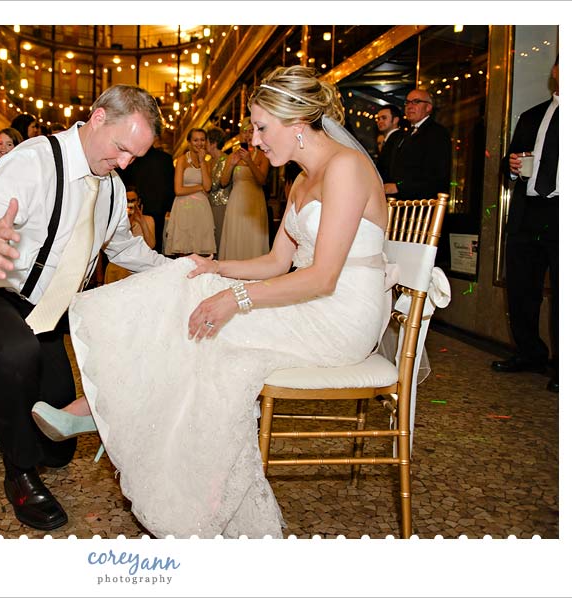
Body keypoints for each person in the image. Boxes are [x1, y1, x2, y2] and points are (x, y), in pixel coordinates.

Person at [31, 65, 390, 538]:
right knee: (191, 286)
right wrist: (215, 268)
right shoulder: (303, 181)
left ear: (296, 122)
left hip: (342, 316)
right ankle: (116, 420)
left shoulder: (345, 168)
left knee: (212, 335)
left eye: (262, 128)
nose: (255, 141)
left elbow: (322, 278)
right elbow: (277, 262)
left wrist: (236, 298)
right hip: (310, 301)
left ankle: (110, 417)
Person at [0, 84, 167, 531]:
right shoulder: (34, 161)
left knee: (58, 445)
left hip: (42, 318)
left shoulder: (110, 186)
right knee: (16, 357)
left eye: (136, 156)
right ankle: (19, 474)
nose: (126, 163)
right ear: (97, 119)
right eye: (122, 149)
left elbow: (127, 247)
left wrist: (178, 267)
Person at [491, 56, 559, 393]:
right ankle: (529, 352)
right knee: (521, 288)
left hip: (564, 210)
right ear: (555, 72)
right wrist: (513, 164)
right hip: (528, 210)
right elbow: (509, 162)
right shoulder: (533, 115)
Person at [218, 117, 270, 260]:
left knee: (253, 239)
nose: (247, 135)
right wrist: (231, 164)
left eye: (251, 131)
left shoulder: (262, 155)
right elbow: (223, 182)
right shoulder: (232, 156)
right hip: (236, 201)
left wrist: (249, 161)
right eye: (244, 132)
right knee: (236, 236)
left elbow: (262, 180)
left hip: (255, 202)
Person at [383, 89, 450, 200]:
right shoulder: (405, 133)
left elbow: (436, 175)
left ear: (428, 107)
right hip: (400, 202)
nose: (409, 106)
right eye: (407, 102)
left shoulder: (437, 133)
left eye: (416, 102)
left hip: (422, 205)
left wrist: (400, 187)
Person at [118, 136, 175, 253]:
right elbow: (170, 186)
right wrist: (169, 207)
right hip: (156, 209)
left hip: (136, 206)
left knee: (132, 243)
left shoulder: (133, 157)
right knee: (156, 247)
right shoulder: (165, 158)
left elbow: (124, 182)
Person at [164, 127, 215, 256]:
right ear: (189, 142)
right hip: (184, 206)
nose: (199, 143)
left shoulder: (207, 162)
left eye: (202, 140)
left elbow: (208, 187)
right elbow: (178, 190)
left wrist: (202, 161)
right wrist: (199, 187)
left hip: (202, 208)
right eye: (195, 140)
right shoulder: (182, 160)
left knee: (201, 251)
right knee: (183, 250)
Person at [206, 127, 231, 250]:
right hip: (210, 205)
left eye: (205, 141)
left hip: (221, 205)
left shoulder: (224, 160)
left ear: (213, 143)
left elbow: (215, 184)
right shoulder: (210, 161)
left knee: (219, 239)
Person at [374, 103, 405, 183]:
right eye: (378, 119)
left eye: (384, 118)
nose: (380, 121)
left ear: (395, 120)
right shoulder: (389, 139)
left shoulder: (398, 138)